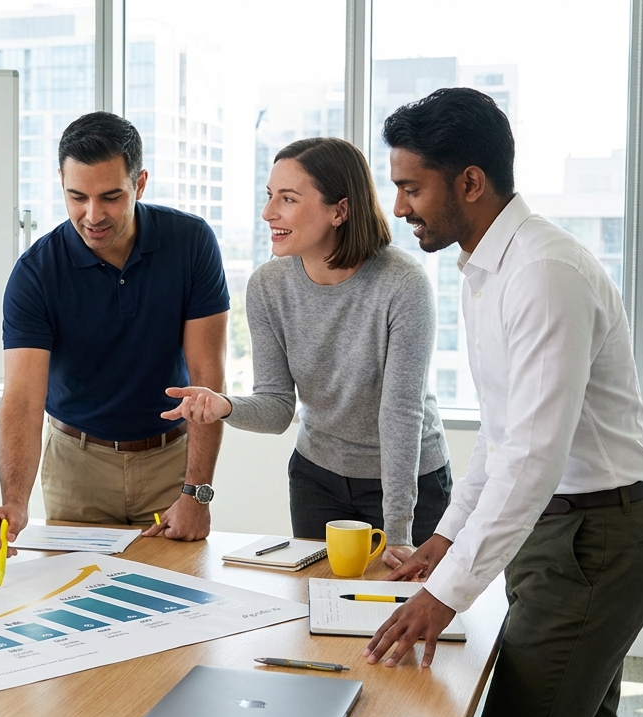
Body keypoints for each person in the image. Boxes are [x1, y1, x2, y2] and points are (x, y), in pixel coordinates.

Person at [362, 87, 643, 717]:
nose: (400, 206)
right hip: (568, 535)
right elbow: (503, 440)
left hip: (594, 542)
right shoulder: (487, 270)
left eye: (411, 188)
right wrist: (446, 537)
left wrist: (442, 599)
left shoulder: (541, 272)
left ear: (469, 182)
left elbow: (532, 457)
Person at [162, 137, 451, 568]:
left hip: (410, 484)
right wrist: (224, 405)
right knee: (321, 613)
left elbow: (400, 413)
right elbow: (278, 408)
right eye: (269, 196)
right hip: (318, 480)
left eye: (288, 199)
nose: (268, 213)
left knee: (400, 614)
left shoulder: (403, 283)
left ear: (340, 210)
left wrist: (398, 530)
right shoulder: (268, 286)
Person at [0, 111, 229, 557]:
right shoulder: (35, 273)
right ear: (61, 181)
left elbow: (206, 380)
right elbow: (22, 398)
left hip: (170, 465)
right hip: (77, 468)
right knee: (75, 611)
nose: (92, 215)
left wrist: (198, 493)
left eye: (111, 197)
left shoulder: (191, 243)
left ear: (141, 183)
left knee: (175, 608)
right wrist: (15, 501)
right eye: (77, 197)